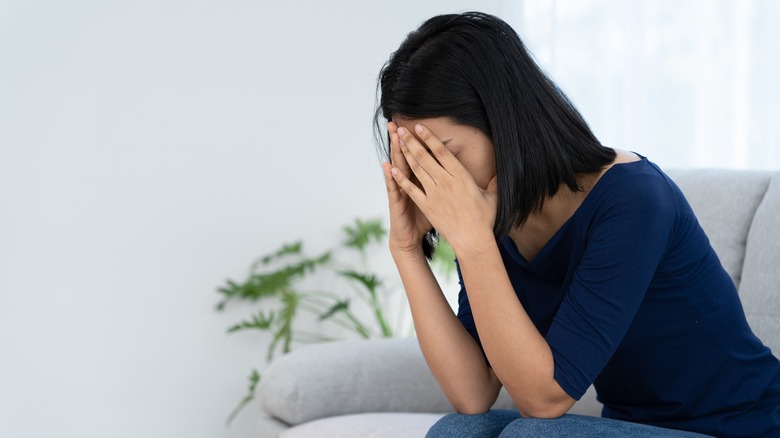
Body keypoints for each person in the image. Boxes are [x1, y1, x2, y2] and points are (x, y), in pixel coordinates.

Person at [375, 11, 780, 438]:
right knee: (458, 431)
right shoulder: (490, 216)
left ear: (506, 125)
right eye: (418, 162)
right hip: (632, 428)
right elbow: (473, 394)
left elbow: (544, 400)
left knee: (534, 435)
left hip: (742, 428)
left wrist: (473, 242)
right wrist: (406, 249)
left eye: (446, 157)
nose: (438, 183)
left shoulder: (634, 198)